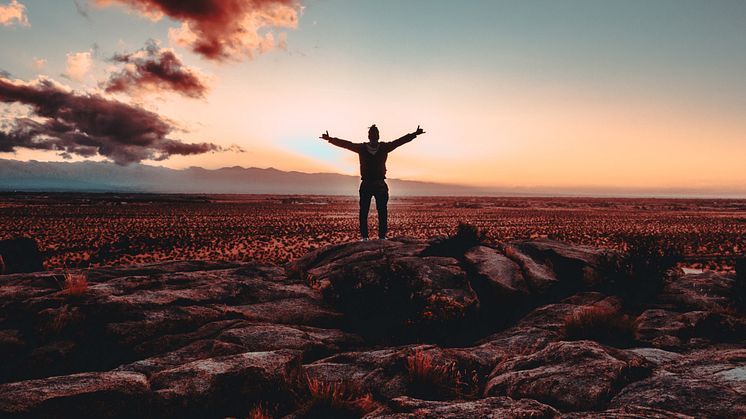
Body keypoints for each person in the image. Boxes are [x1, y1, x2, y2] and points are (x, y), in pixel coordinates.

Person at [320, 124, 426, 240]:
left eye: (375, 134)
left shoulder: (378, 147)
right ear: (371, 136)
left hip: (376, 184)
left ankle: (379, 237)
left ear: (375, 136)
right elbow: (346, 144)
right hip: (371, 184)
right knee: (368, 212)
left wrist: (414, 134)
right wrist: (330, 139)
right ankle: (369, 237)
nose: (374, 136)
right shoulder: (369, 148)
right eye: (373, 134)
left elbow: (399, 141)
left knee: (378, 212)